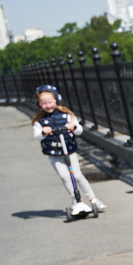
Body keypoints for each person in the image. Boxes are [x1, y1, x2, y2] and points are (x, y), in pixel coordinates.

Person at [31, 84, 106, 213]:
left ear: (56, 100)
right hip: (54, 154)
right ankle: (76, 200)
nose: (48, 106)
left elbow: (79, 130)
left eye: (50, 102)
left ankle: (93, 199)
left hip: (69, 151)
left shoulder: (66, 115)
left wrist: (74, 127)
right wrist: (43, 132)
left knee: (77, 175)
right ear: (39, 104)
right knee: (65, 177)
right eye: (43, 103)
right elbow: (37, 136)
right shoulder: (39, 121)